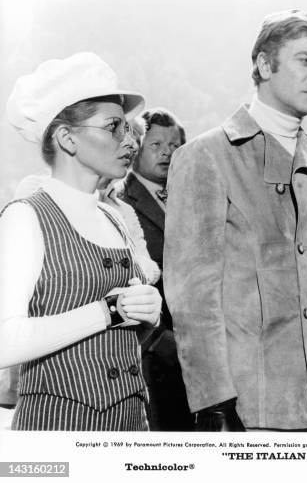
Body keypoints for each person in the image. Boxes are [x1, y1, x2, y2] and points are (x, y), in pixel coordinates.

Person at [164, 9, 307, 432]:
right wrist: (213, 399)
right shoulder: (206, 157)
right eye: (305, 60)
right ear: (263, 64)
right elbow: (192, 299)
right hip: (253, 407)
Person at [0, 52, 161, 430]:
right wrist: (107, 311)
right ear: (67, 138)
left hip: (131, 425)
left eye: (129, 128)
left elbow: (122, 333)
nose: (132, 141)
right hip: (59, 431)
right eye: (114, 127)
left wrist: (147, 315)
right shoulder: (25, 217)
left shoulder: (112, 217)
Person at [118, 107, 192, 431]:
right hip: (151, 350)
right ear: (136, 148)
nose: (167, 153)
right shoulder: (120, 202)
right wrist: (159, 340)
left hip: (198, 346)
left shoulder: (193, 197)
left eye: (174, 145)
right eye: (156, 145)